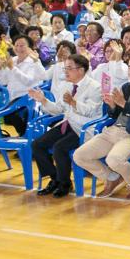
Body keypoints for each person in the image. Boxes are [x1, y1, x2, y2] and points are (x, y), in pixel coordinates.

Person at [73, 52, 130, 199]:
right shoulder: (127, 87)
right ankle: (112, 177)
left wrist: (124, 104)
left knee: (113, 159)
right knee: (79, 156)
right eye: (129, 68)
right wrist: (113, 106)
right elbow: (115, 116)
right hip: (114, 130)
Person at [31, 53, 102, 198]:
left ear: (81, 70)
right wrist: (43, 100)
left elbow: (91, 111)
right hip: (68, 124)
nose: (66, 72)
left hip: (83, 128)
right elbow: (58, 109)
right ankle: (55, 178)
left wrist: (73, 103)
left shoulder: (95, 87)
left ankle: (64, 183)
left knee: (59, 147)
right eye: (65, 68)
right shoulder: (67, 85)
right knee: (37, 144)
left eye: (69, 68)